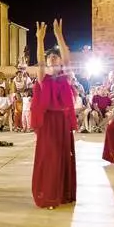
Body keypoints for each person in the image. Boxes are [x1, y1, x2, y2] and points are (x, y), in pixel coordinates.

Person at [30, 19, 77, 209]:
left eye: (55, 57)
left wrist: (59, 35)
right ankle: (49, 195)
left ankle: (62, 193)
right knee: (50, 157)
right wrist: (39, 39)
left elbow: (67, 58)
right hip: (49, 122)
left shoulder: (65, 76)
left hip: (63, 121)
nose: (52, 59)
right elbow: (40, 62)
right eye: (50, 58)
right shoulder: (44, 78)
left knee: (63, 156)